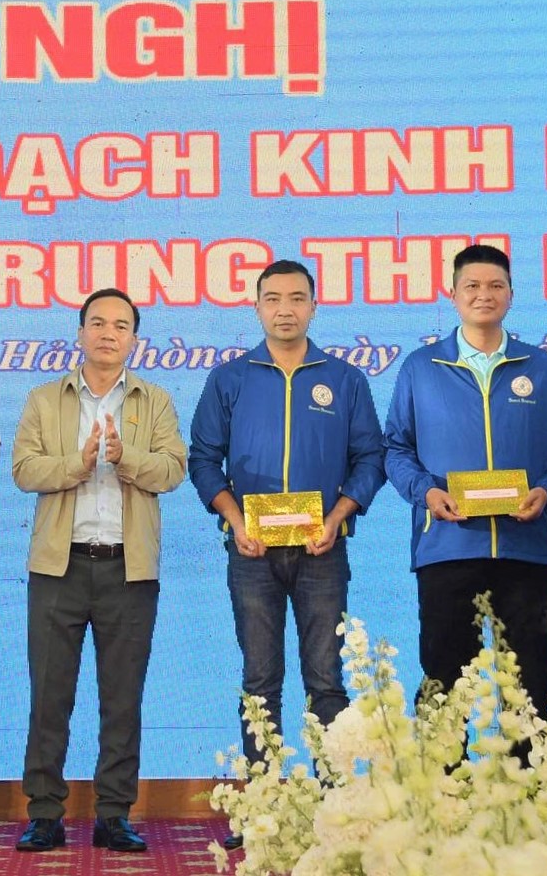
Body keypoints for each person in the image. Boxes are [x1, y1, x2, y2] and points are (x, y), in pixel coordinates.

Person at [10, 288, 188, 855]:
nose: (108, 334)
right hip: (58, 567)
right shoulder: (45, 398)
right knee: (49, 697)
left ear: (134, 338)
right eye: (98, 323)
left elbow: (173, 470)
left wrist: (123, 456)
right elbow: (24, 469)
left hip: (128, 569)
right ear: (80, 332)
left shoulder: (155, 400)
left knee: (122, 698)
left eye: (120, 326)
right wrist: (79, 463)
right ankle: (44, 814)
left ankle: (114, 814)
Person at [188, 258, 386, 766]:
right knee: (260, 681)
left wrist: (337, 518)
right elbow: (204, 460)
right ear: (256, 308)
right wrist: (236, 523)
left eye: (297, 299)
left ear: (314, 307)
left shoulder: (345, 379)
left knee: (327, 681)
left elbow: (371, 458)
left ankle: (334, 798)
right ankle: (263, 800)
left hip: (323, 549)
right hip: (251, 552)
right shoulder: (229, 379)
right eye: (273, 299)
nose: (285, 309)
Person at [384, 244, 547, 700]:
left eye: (495, 285)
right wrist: (427, 493)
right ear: (452, 294)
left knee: (529, 692)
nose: (483, 294)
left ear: (511, 294)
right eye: (471, 285)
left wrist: (546, 491)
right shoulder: (421, 368)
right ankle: (441, 753)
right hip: (447, 548)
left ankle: (529, 752)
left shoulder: (542, 367)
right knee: (444, 691)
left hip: (526, 550)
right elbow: (396, 448)